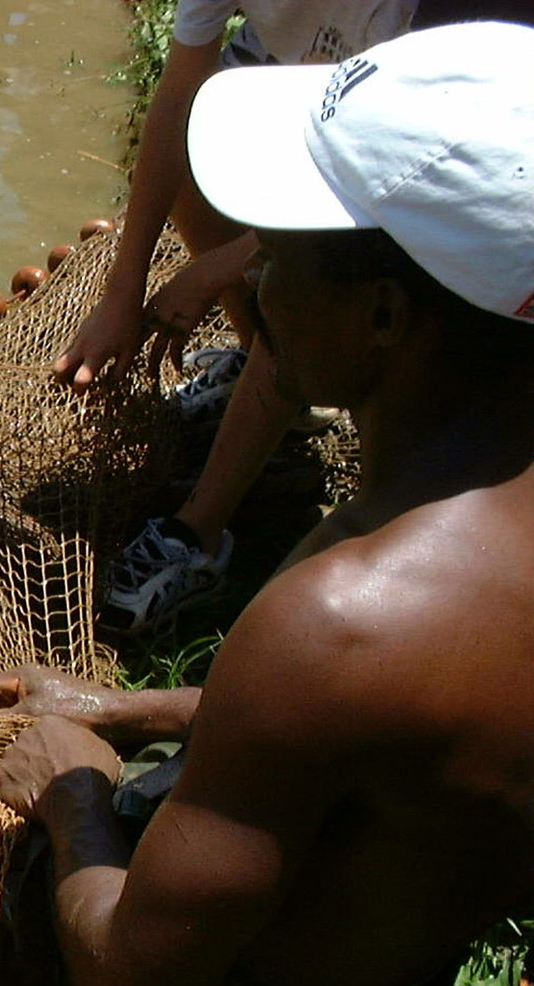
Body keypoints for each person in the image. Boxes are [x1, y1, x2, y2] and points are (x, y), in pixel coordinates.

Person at [0, 17, 534, 986]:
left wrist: (71, 795)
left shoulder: (342, 619)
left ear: (384, 316)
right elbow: (404, 748)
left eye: (281, 252)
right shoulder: (482, 523)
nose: (251, 280)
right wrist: (146, 706)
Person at [53, 0, 417, 637]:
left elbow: (381, 183)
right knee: (198, 159)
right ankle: (273, 376)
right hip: (288, 85)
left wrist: (217, 269)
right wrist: (122, 292)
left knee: (301, 289)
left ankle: (197, 534)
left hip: (401, 143)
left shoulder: (407, 13)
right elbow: (178, 96)